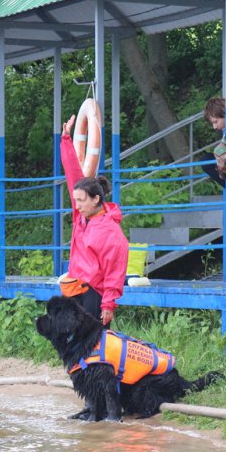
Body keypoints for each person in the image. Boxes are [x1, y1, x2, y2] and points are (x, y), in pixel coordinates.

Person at [59, 114, 129, 326]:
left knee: (94, 346)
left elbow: (115, 270)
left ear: (96, 199)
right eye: (75, 200)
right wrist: (66, 141)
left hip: (93, 295)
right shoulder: (81, 215)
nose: (77, 205)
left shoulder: (110, 231)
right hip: (74, 288)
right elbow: (73, 175)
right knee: (71, 342)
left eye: (81, 201)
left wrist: (108, 304)